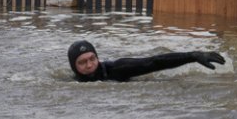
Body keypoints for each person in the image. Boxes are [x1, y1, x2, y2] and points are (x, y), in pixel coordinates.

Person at [67, 40, 226, 82]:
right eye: (82, 62)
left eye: (92, 59)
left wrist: (192, 56)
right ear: (74, 67)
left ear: (97, 57)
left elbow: (153, 62)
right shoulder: (70, 83)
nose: (89, 65)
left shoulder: (116, 69)